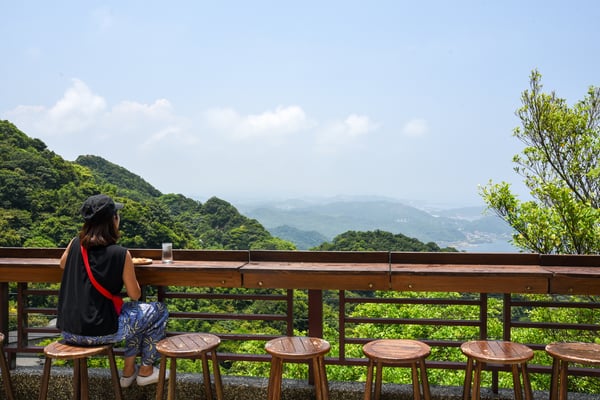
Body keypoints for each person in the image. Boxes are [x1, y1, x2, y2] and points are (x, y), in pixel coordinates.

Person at [57, 194, 169, 388]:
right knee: (157, 310)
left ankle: (128, 373)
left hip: (69, 332)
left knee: (135, 316)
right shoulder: (121, 253)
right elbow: (135, 295)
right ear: (113, 220)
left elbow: (62, 264)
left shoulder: (76, 243)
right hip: (100, 333)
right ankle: (146, 370)